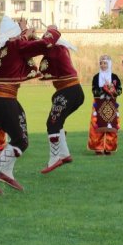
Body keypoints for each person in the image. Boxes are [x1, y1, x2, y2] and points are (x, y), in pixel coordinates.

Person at [0, 16, 61, 194]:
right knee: (20, 141)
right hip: (3, 99)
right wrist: (52, 30)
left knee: (20, 126)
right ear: (14, 34)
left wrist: (24, 32)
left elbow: (18, 45)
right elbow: (42, 45)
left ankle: (6, 172)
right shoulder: (16, 46)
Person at [38, 30, 85, 173]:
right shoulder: (61, 49)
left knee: (52, 123)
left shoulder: (56, 49)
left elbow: (42, 47)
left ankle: (55, 158)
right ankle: (64, 154)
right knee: (58, 122)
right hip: (74, 91)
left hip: (67, 92)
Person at [88, 54, 122, 155]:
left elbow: (120, 90)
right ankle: (98, 148)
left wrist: (112, 89)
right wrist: (104, 89)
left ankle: (109, 148)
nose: (103, 65)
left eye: (105, 63)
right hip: (98, 104)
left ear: (109, 64)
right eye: (101, 63)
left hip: (111, 104)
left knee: (111, 126)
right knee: (97, 125)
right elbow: (94, 90)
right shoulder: (96, 77)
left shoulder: (115, 77)